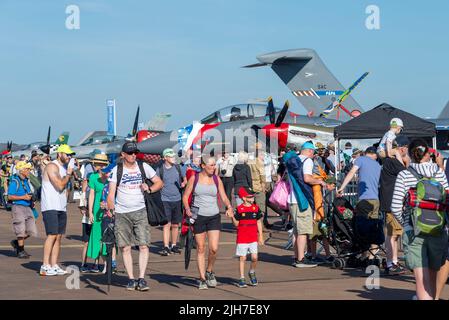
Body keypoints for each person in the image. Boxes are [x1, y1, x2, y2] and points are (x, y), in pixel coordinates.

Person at [391, 139, 448, 300]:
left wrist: (407, 225)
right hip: (438, 230)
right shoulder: (439, 172)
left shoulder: (404, 174)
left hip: (415, 231)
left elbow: (395, 206)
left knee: (422, 281)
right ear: (428, 154)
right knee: (432, 274)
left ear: (410, 154)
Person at [107, 142, 163, 292]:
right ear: (123, 155)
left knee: (144, 245)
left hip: (140, 210)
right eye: (130, 153)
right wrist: (111, 209)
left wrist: (149, 189)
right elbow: (111, 193)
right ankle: (131, 279)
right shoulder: (116, 170)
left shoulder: (143, 167)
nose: (133, 156)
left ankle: (142, 278)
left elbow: (159, 182)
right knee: (125, 247)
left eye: (135, 153)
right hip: (121, 212)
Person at [182, 155, 233, 290]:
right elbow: (186, 196)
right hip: (198, 216)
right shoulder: (195, 178)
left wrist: (229, 207)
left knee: (214, 248)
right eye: (210, 165)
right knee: (200, 248)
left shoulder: (216, 179)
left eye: (214, 164)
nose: (213, 167)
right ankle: (202, 278)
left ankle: (209, 271)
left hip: (214, 216)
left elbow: (224, 196)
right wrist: (187, 208)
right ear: (203, 166)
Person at [284, 142, 330, 268]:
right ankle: (301, 259)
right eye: (313, 152)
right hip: (302, 201)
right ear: (309, 151)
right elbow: (307, 178)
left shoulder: (294, 160)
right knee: (303, 231)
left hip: (292, 199)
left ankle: (296, 256)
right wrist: (320, 182)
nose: (314, 155)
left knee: (296, 231)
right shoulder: (307, 161)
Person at [337, 146, 383, 264]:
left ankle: (364, 255)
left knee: (361, 228)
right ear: (374, 154)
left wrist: (342, 188)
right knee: (374, 228)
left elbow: (352, 172)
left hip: (364, 200)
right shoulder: (378, 165)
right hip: (376, 200)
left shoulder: (361, 159)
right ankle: (371, 257)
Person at [39, 144, 76, 276]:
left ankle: (54, 265)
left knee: (59, 237)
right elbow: (60, 185)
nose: (69, 157)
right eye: (67, 154)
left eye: (71, 155)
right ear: (59, 154)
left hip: (61, 206)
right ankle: (45, 265)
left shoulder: (64, 167)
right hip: (50, 206)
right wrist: (68, 174)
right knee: (52, 235)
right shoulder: (52, 166)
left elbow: (65, 189)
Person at [379, 135, 409, 275]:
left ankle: (392, 262)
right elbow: (406, 174)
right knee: (393, 235)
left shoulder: (388, 161)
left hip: (389, 202)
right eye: (406, 149)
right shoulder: (393, 162)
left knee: (393, 234)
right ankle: (392, 263)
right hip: (393, 203)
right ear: (402, 148)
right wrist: (400, 157)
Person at [230, 186, 264, 288]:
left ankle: (252, 272)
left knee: (254, 258)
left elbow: (258, 222)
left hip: (253, 237)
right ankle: (242, 278)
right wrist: (232, 216)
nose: (253, 198)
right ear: (244, 198)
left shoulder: (255, 208)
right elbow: (236, 224)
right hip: (242, 238)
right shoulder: (239, 209)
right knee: (243, 258)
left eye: (253, 196)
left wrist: (261, 236)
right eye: (250, 197)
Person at [157, 148, 187, 256]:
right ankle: (166, 246)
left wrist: (184, 183)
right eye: (171, 156)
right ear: (165, 158)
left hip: (177, 200)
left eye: (174, 156)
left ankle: (174, 245)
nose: (174, 158)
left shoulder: (178, 168)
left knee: (175, 224)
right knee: (166, 224)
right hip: (165, 200)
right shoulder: (160, 169)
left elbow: (185, 179)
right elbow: (156, 181)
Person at [7, 161, 38, 259]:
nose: (29, 171)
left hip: (28, 207)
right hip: (18, 207)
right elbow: (10, 197)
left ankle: (16, 243)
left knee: (31, 230)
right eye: (27, 169)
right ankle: (21, 250)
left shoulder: (26, 181)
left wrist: (31, 199)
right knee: (20, 229)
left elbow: (28, 193)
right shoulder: (15, 181)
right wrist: (23, 197)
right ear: (21, 170)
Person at [86, 154, 111, 272]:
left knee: (107, 236)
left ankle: (107, 264)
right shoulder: (93, 177)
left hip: (108, 209)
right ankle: (96, 262)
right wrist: (90, 212)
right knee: (96, 237)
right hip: (96, 210)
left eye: (98, 164)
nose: (96, 166)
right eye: (95, 163)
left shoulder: (110, 177)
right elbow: (91, 195)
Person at [248, 151, 267, 228]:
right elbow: (262, 176)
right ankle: (259, 226)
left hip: (250, 186)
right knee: (261, 208)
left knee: (251, 208)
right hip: (258, 187)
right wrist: (263, 188)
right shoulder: (260, 163)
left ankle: (251, 225)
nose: (263, 157)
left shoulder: (250, 163)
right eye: (262, 155)